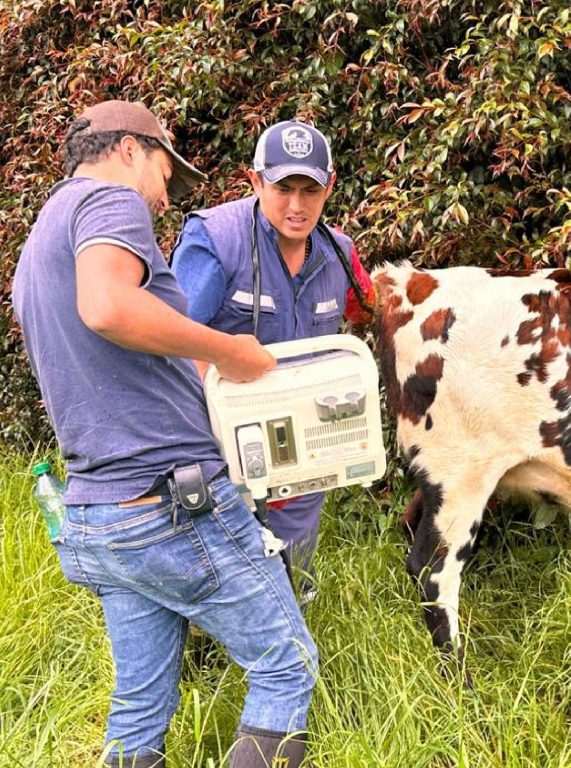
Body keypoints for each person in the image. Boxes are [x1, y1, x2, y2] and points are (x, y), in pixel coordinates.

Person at [12, 100, 316, 768]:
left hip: (99, 515)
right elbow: (107, 305)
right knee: (286, 666)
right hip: (171, 506)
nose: (161, 194)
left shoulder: (40, 239)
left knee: (140, 706)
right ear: (128, 149)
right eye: (161, 170)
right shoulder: (109, 202)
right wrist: (230, 351)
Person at [171, 119, 372, 590]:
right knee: (218, 582)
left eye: (310, 190)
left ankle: (292, 633)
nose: (297, 206)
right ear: (255, 180)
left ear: (330, 187)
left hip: (305, 453)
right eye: (283, 188)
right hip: (219, 450)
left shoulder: (340, 253)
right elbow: (174, 344)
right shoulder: (215, 240)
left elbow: (364, 312)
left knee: (292, 580)